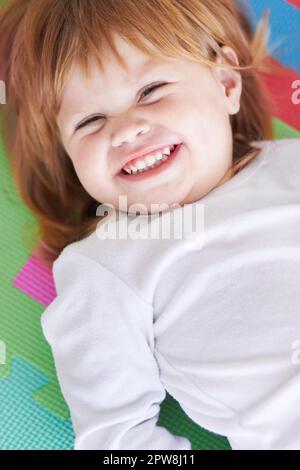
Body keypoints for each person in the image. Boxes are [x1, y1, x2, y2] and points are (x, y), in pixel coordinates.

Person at [1, 0, 300, 450]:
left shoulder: (292, 163)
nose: (123, 131)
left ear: (225, 82)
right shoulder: (107, 263)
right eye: (90, 121)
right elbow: (115, 440)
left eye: (151, 91)